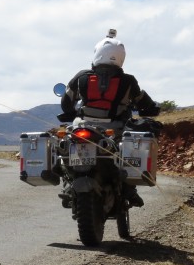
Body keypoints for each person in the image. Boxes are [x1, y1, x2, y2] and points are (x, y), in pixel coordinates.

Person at [56, 29, 160, 207]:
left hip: (82, 126)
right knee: (127, 153)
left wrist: (72, 112)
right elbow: (143, 101)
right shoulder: (128, 81)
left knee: (65, 149)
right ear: (121, 57)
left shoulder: (81, 77)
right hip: (115, 128)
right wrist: (152, 108)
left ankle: (68, 184)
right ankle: (129, 190)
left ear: (97, 53)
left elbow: (66, 103)